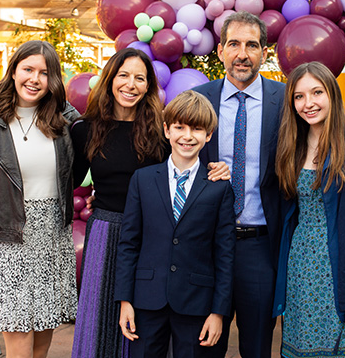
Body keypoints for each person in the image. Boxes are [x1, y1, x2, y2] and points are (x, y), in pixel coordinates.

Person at [193, 11, 345, 358]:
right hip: (206, 246)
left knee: (258, 347)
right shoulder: (198, 100)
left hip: (261, 246)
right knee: (203, 345)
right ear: (221, 49)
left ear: (264, 53)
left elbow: (336, 145)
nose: (242, 53)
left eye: (252, 45)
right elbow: (170, 155)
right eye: (234, 44)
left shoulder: (287, 102)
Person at [71, 48, 230, 358]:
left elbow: (185, 166)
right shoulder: (85, 129)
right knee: (100, 323)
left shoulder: (158, 131)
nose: (130, 84)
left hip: (150, 236)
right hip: (105, 232)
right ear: (110, 79)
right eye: (123, 76)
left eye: (140, 78)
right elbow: (70, 181)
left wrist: (219, 168)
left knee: (145, 327)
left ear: (148, 86)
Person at [0, 40, 79, 358]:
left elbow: (108, 148)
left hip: (53, 241)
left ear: (54, 81)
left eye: (45, 73)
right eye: (28, 69)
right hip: (9, 244)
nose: (35, 79)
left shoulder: (66, 120)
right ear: (13, 71)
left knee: (40, 346)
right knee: (19, 346)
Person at [115, 90, 236, 358]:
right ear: (167, 130)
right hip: (146, 299)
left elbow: (225, 254)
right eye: (179, 127)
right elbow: (128, 244)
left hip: (197, 302)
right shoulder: (143, 180)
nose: (187, 136)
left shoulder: (219, 188)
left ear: (209, 135)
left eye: (196, 129)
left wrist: (219, 312)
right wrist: (125, 300)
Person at [273, 61, 345, 357]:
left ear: (332, 93)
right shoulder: (290, 144)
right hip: (298, 266)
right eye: (299, 96)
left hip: (339, 266)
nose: (308, 103)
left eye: (317, 92)